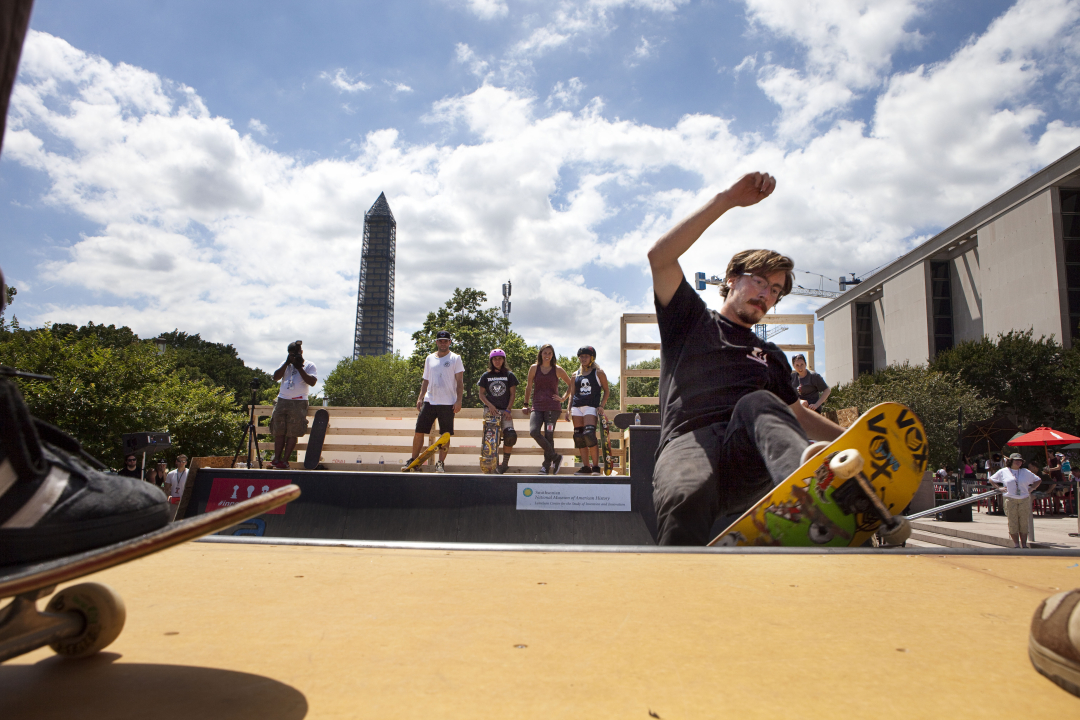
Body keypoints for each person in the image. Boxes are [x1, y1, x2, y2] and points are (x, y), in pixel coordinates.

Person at [646, 171, 844, 545]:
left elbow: (799, 416)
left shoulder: (770, 355)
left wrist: (855, 440)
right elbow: (660, 257)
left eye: (774, 291)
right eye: (759, 281)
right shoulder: (691, 321)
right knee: (686, 496)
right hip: (690, 443)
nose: (766, 295)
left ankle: (806, 497)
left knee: (759, 403)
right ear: (732, 278)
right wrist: (726, 199)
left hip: (748, 457)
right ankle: (674, 578)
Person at [404, 330, 464, 473]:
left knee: (445, 435)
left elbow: (460, 382)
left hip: (448, 402)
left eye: (446, 341)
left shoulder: (455, 358)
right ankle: (414, 460)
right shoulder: (429, 358)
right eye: (440, 341)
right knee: (419, 431)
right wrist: (420, 397)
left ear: (450, 342)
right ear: (436, 342)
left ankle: (440, 463)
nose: (443, 343)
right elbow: (426, 379)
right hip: (430, 401)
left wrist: (459, 400)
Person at [521, 344, 573, 475]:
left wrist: (563, 398)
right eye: (545, 353)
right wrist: (525, 404)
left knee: (549, 436)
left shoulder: (557, 369)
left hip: (552, 408)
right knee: (534, 431)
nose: (547, 355)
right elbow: (528, 387)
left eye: (550, 353)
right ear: (540, 354)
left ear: (553, 355)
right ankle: (556, 457)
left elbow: (572, 385)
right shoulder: (534, 368)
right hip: (537, 406)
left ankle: (545, 467)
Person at [270, 340, 317, 469]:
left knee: (293, 432)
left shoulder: (309, 365)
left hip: (299, 401)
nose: (294, 356)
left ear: (301, 353)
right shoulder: (285, 364)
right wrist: (287, 362)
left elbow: (312, 382)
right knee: (278, 431)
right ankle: (276, 459)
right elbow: (275, 377)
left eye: (296, 354)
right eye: (292, 354)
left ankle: (285, 461)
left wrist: (299, 367)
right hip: (282, 400)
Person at [566, 346, 610, 476]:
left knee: (589, 435)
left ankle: (596, 467)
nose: (583, 358)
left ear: (592, 358)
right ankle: (586, 467)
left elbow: (606, 390)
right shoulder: (575, 374)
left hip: (591, 406)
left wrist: (601, 405)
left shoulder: (599, 372)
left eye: (586, 356)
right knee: (579, 437)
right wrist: (568, 410)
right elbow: (572, 394)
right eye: (581, 356)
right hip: (576, 407)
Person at [477, 349, 519, 474]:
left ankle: (504, 464)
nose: (497, 361)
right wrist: (489, 405)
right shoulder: (486, 375)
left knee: (510, 435)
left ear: (503, 360)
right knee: (490, 439)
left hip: (505, 410)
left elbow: (512, 394)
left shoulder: (509, 375)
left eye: (500, 358)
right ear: (491, 360)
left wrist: (508, 409)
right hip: (491, 411)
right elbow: (481, 394)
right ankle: (490, 464)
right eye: (495, 359)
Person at [988, 452, 1042, 548]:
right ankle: (1016, 544)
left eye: (1020, 461)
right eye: (1016, 460)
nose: (1018, 462)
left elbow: (1038, 480)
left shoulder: (1025, 471)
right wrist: (999, 488)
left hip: (1024, 499)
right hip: (1010, 498)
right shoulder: (1003, 471)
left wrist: (1032, 488)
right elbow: (992, 479)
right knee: (1013, 522)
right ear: (1011, 461)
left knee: (1024, 522)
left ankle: (1024, 544)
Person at [163, 455, 189, 521]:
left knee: (183, 522)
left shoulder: (189, 473)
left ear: (186, 463)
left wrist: (184, 500)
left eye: (183, 461)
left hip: (184, 501)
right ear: (176, 462)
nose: (181, 463)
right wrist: (169, 497)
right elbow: (167, 488)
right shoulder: (171, 474)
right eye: (179, 461)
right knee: (172, 521)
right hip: (173, 501)